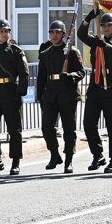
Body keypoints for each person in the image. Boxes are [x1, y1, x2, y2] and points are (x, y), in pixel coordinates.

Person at [78, 8, 112, 173]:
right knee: (88, 123)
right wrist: (88, 18)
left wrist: (105, 46)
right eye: (103, 25)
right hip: (96, 86)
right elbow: (81, 34)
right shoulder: (95, 40)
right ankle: (98, 154)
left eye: (109, 25)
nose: (106, 28)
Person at [0, 19, 29, 176]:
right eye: (1, 31)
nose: (4, 34)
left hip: (10, 93)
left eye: (6, 31)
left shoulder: (16, 51)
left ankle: (15, 161)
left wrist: (20, 92)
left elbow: (24, 74)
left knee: (14, 129)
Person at [36, 21, 84, 173]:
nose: (54, 35)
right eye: (52, 32)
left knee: (69, 129)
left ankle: (68, 159)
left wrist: (70, 76)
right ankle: (55, 154)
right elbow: (41, 77)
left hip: (67, 94)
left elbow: (81, 72)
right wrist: (40, 96)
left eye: (57, 32)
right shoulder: (45, 54)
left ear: (63, 34)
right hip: (50, 94)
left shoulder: (72, 52)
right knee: (46, 127)